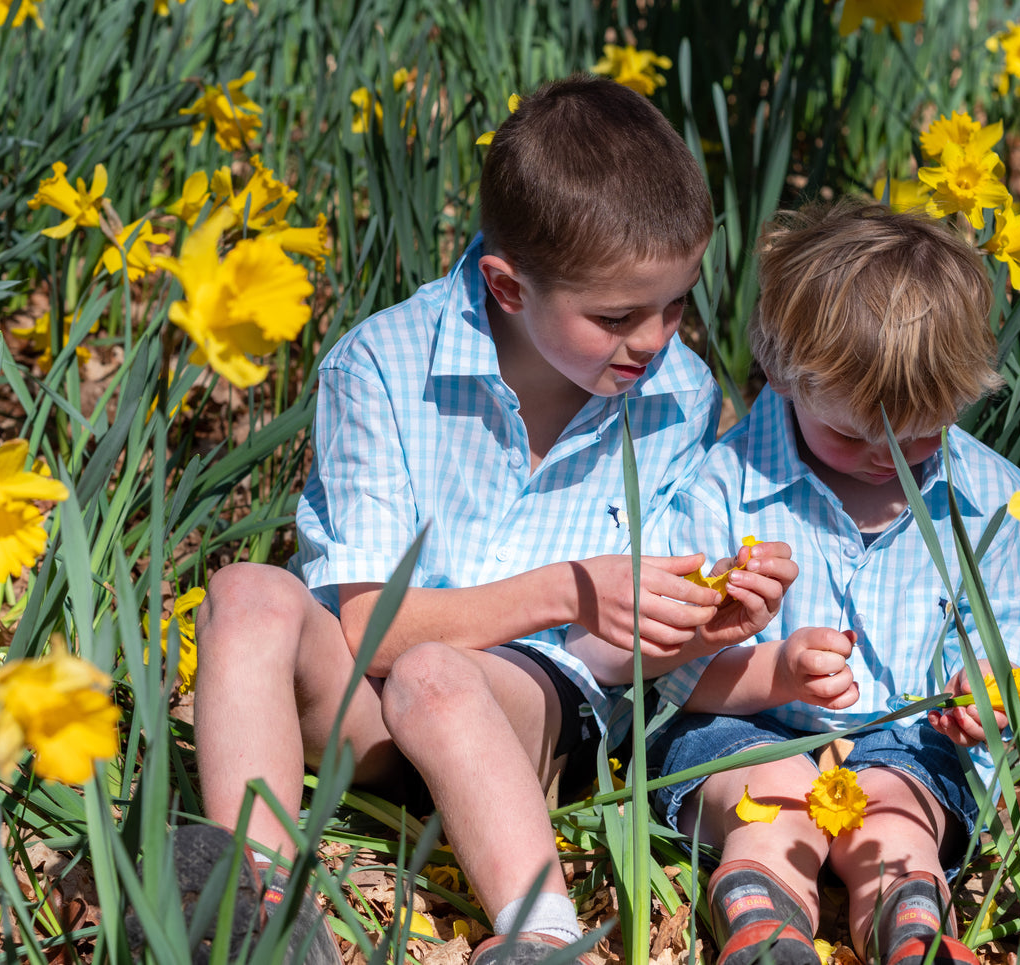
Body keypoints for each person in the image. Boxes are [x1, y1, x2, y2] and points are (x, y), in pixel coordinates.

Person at [190, 75, 797, 964]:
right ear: (507, 287)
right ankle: (260, 897)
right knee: (246, 592)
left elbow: (616, 655)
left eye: (676, 303)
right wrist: (569, 587)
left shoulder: (679, 397)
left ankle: (542, 934)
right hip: (365, 709)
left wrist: (701, 621)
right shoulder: (381, 365)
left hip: (530, 716)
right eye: (617, 316)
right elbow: (363, 627)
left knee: (439, 675)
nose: (656, 338)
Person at [644, 199, 1020, 965]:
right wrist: (773, 670)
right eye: (850, 433)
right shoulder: (722, 490)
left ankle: (910, 932)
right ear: (780, 373)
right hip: (750, 732)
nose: (886, 459)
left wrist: (991, 702)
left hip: (905, 739)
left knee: (895, 818)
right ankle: (765, 924)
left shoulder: (998, 504)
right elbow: (672, 675)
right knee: (768, 802)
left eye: (918, 435)